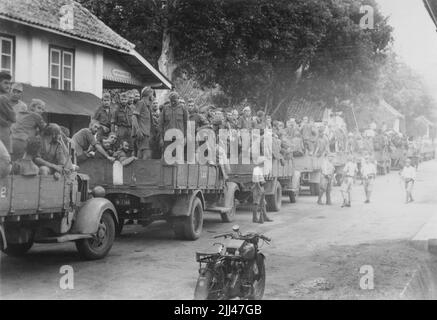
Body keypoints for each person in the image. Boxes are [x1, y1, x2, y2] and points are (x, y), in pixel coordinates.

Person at [132, 87, 154, 160]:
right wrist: (138, 130)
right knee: (146, 153)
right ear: (149, 95)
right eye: (152, 95)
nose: (153, 97)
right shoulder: (141, 103)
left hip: (145, 133)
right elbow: (134, 117)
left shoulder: (147, 106)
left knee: (142, 153)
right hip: (142, 133)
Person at [251, 157, 273, 224]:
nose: (264, 164)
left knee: (263, 203)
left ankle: (265, 217)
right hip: (258, 187)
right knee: (256, 203)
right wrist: (260, 188)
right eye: (263, 162)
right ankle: (255, 218)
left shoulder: (259, 169)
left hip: (261, 187)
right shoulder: (256, 169)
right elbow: (256, 181)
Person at [0, 82, 17, 152]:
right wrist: (7, 123)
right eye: (6, 83)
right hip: (3, 132)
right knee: (5, 158)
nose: (8, 86)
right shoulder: (3, 98)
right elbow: (13, 118)